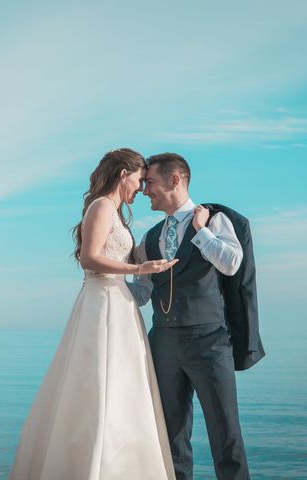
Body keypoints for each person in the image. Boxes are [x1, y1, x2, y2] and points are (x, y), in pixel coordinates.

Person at [9, 148, 177, 480]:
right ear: (123, 174)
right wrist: (138, 267)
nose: (141, 190)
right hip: (102, 305)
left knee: (123, 389)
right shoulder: (101, 207)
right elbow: (89, 258)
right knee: (98, 384)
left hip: (120, 304)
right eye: (139, 181)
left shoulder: (115, 212)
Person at [129, 152, 250, 480]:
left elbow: (230, 263)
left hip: (208, 341)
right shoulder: (149, 237)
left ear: (175, 180)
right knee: (171, 435)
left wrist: (201, 231)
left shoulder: (214, 221)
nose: (144, 191)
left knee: (225, 434)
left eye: (150, 182)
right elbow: (142, 292)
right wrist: (106, 292)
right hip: (163, 342)